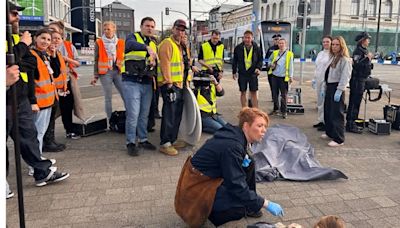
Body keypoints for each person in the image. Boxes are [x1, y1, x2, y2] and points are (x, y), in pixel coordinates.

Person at [6, 2, 69, 187]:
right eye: (13, 13)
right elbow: (22, 64)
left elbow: (30, 68)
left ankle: (41, 171)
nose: (17, 17)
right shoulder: (23, 44)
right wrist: (24, 46)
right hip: (16, 98)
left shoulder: (22, 42)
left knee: (30, 136)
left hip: (22, 97)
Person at [188, 108, 284, 226]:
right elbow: (235, 184)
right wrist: (265, 203)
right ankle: (210, 211)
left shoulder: (236, 135)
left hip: (205, 177)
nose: (264, 130)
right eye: (259, 126)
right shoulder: (232, 146)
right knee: (237, 211)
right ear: (246, 126)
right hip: (196, 188)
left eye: (265, 126)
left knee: (250, 162)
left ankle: (250, 204)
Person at [122, 17, 158, 156]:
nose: (150, 28)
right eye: (147, 25)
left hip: (147, 82)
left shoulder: (154, 42)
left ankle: (143, 139)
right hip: (131, 82)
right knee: (133, 114)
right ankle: (130, 142)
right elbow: (129, 45)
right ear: (141, 26)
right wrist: (146, 47)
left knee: (144, 114)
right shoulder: (132, 37)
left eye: (152, 26)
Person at [157, 19, 188, 156]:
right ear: (173, 29)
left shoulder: (180, 46)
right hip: (170, 85)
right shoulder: (167, 44)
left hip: (179, 85)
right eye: (178, 29)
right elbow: (165, 65)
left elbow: (186, 63)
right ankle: (165, 143)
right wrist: (169, 84)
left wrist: (185, 46)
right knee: (169, 114)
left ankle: (173, 139)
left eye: (183, 30)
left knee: (176, 114)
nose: (180, 32)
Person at [48, 21, 82, 140]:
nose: (52, 34)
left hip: (65, 83)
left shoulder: (68, 46)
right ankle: (48, 136)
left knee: (67, 107)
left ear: (61, 33)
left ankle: (69, 130)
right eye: (50, 30)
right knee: (50, 110)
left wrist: (65, 58)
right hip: (49, 84)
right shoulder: (44, 45)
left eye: (54, 30)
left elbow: (77, 63)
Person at [91, 21, 125, 121]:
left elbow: (124, 57)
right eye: (104, 29)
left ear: (114, 29)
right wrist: (95, 75)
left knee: (125, 94)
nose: (106, 31)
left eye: (109, 29)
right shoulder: (99, 42)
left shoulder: (121, 42)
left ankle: (131, 116)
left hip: (118, 71)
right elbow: (96, 59)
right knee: (108, 97)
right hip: (105, 73)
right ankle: (110, 120)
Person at [41, 27, 68, 153]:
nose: (56, 41)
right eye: (53, 38)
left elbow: (57, 71)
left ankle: (50, 140)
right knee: (46, 119)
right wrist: (51, 55)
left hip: (54, 91)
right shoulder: (44, 53)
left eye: (58, 38)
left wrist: (54, 55)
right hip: (45, 92)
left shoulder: (56, 53)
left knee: (51, 117)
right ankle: (47, 142)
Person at [321, 36, 352, 147]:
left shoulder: (345, 60)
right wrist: (324, 86)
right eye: (333, 44)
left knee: (337, 114)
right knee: (328, 111)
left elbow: (345, 76)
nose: (334, 47)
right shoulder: (333, 57)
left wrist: (340, 90)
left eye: (337, 45)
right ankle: (330, 132)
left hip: (337, 87)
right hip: (330, 86)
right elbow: (328, 73)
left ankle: (339, 138)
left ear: (342, 45)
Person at [346, 32, 373, 134]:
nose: (368, 41)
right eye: (367, 39)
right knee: (354, 102)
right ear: (363, 40)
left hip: (362, 78)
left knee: (357, 102)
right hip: (357, 79)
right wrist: (367, 59)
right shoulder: (358, 51)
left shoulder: (364, 50)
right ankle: (350, 124)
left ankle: (353, 122)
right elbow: (356, 64)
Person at [232, 30, 263, 108]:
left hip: (253, 73)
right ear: (243, 38)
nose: (247, 39)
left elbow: (260, 59)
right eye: (245, 38)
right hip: (242, 73)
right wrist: (234, 71)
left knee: (254, 92)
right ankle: (244, 110)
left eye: (249, 38)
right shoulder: (238, 48)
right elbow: (235, 60)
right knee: (243, 92)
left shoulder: (257, 48)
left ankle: (255, 110)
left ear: (252, 38)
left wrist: (258, 68)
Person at [193, 69, 226, 134]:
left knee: (227, 127)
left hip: (213, 115)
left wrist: (215, 82)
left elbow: (221, 93)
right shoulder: (197, 91)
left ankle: (204, 128)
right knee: (221, 130)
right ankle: (202, 128)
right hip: (204, 117)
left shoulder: (212, 87)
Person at [267, 37, 294, 119]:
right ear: (277, 44)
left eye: (283, 43)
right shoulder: (275, 53)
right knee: (275, 94)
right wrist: (270, 64)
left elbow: (291, 66)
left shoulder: (289, 54)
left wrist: (291, 76)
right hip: (274, 76)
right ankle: (275, 109)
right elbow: (269, 60)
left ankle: (284, 111)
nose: (281, 45)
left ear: (285, 44)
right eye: (280, 43)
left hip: (283, 77)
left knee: (284, 95)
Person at [312, 35, 332, 131]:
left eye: (327, 42)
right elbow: (317, 67)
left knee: (325, 102)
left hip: (326, 81)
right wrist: (314, 79)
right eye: (324, 42)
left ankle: (326, 122)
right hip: (319, 80)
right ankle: (321, 120)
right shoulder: (320, 53)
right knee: (320, 102)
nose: (325, 43)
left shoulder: (332, 54)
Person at [265, 34, 281, 100]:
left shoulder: (283, 49)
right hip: (271, 71)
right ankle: (274, 98)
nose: (277, 41)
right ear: (273, 41)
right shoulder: (270, 49)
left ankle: (278, 98)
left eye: (278, 39)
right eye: (275, 39)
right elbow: (266, 59)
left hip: (280, 71)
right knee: (272, 85)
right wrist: (268, 66)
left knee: (279, 86)